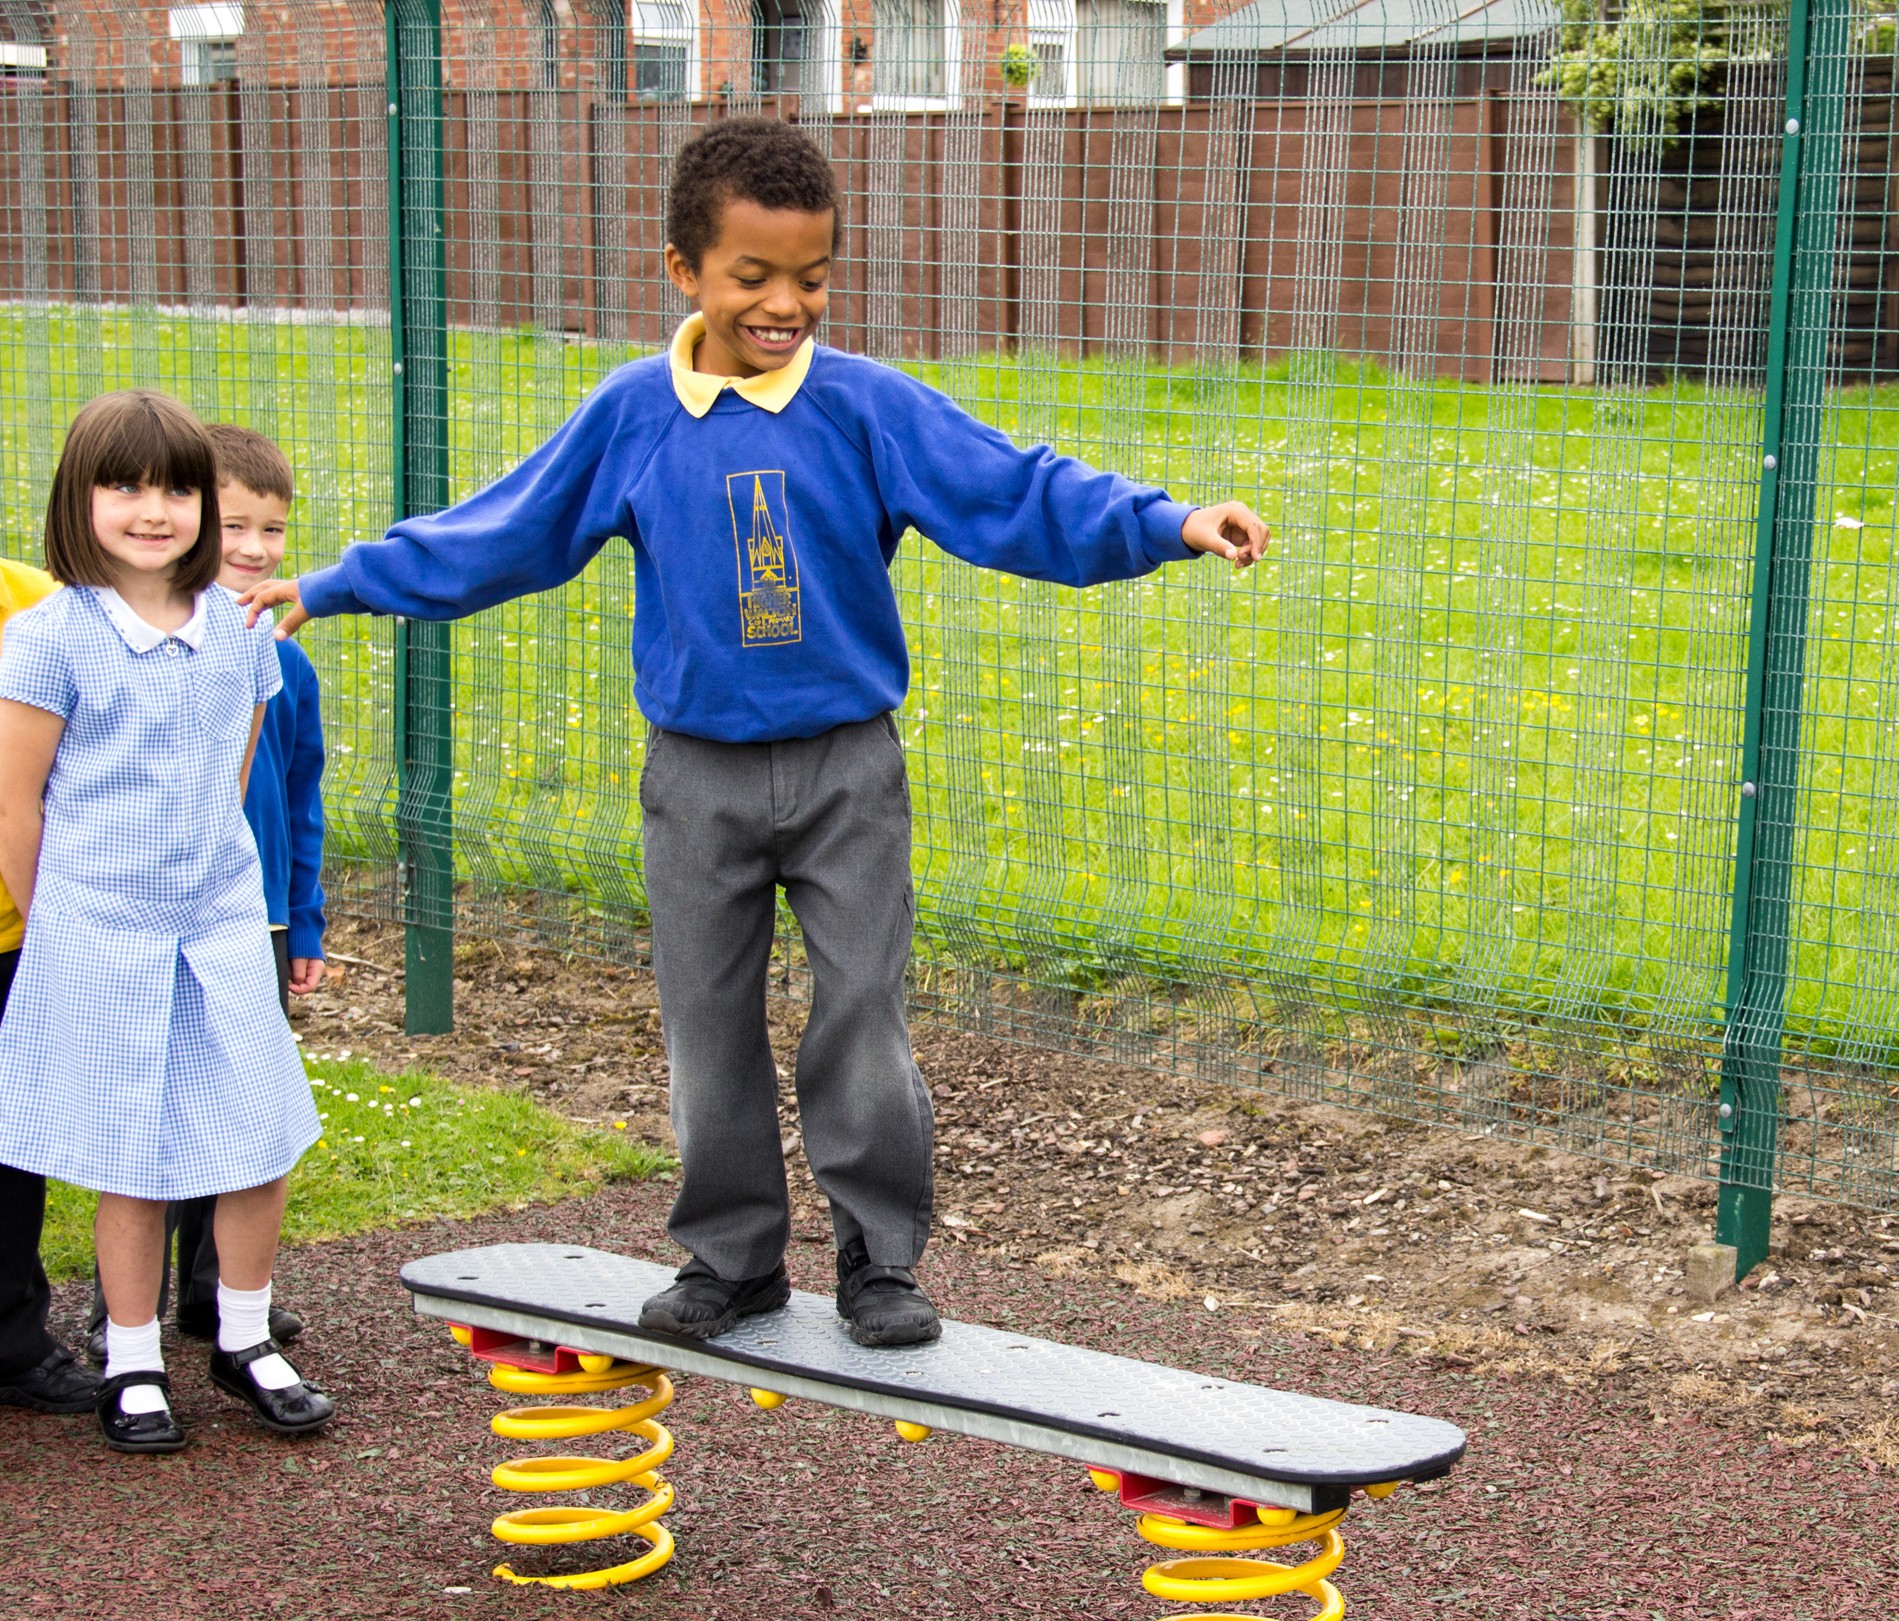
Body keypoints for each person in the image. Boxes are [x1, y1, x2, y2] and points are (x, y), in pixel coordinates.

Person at [244, 118, 1268, 1352]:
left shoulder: (867, 408)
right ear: (684, 269)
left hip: (848, 771)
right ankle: (731, 1259)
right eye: (754, 277)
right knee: (704, 1019)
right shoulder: (636, 414)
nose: (787, 304)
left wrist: (1166, 522)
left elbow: (1014, 492)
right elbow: (504, 529)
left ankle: (880, 1261)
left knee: (863, 1013)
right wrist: (340, 582)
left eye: (813, 279)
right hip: (697, 780)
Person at [0, 389, 331, 1452]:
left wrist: (232, 903)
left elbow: (230, 786)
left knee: (257, 1137)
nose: (154, 510)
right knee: (131, 1158)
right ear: (77, 500)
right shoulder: (51, 639)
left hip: (219, 928)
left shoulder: (244, 639)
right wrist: (59, 929)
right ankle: (133, 1356)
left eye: (176, 489)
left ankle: (241, 1337)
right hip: (99, 934)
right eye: (124, 486)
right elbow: (18, 803)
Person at [82, 424, 325, 1363]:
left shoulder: (282, 661)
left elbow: (300, 798)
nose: (257, 550)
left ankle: (213, 1294)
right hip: (148, 914)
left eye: (274, 530)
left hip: (250, 915)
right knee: (150, 1104)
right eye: (235, 526)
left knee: (237, 1109)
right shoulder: (121, 647)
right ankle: (123, 1306)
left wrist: (302, 919)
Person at [0, 558, 103, 1416]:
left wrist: (49, 929)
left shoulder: (43, 609)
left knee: (11, 1145)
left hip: (18, 930)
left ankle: (13, 1343)